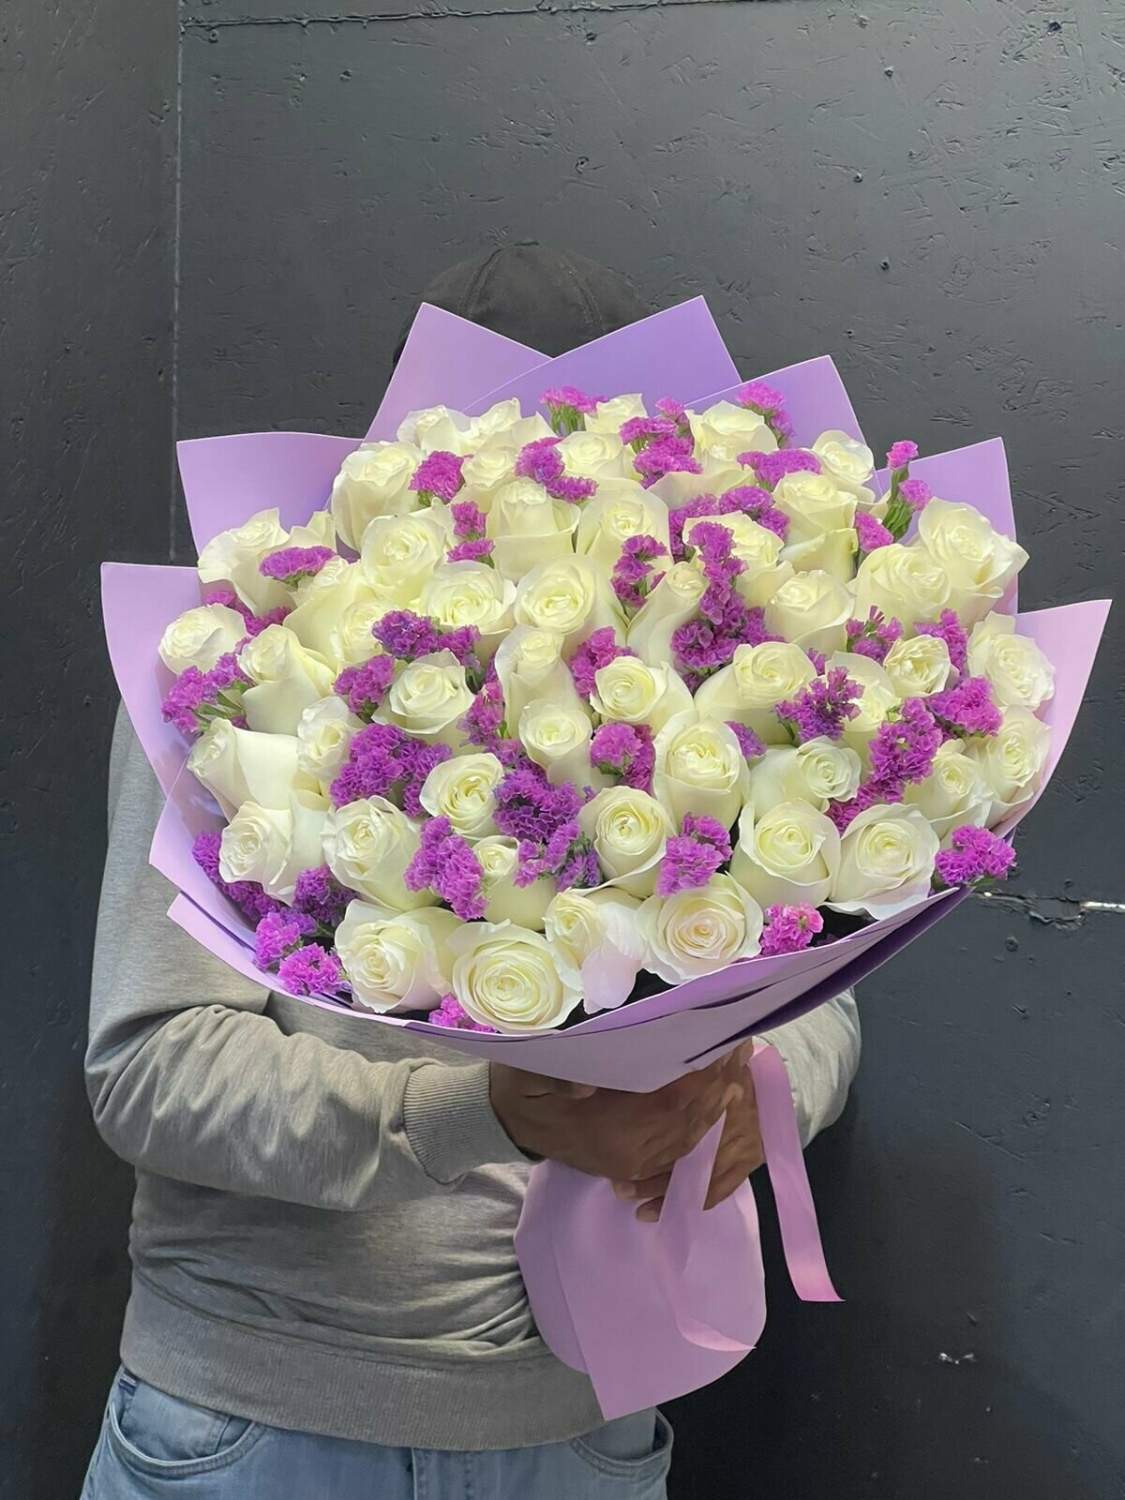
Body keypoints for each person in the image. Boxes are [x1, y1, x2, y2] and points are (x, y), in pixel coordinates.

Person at [81, 243, 861, 1500]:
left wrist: (752, 1098)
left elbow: (822, 987)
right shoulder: (235, 684)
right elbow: (151, 1072)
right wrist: (480, 1112)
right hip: (260, 1423)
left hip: (580, 1422)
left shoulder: (715, 688)